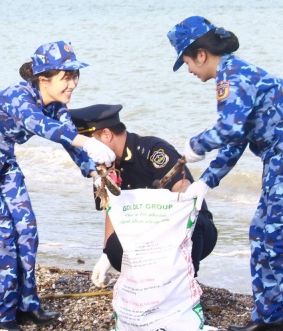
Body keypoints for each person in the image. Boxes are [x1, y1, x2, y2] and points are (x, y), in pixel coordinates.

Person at [168, 16, 283, 331]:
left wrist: (194, 146)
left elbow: (227, 131)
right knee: (261, 232)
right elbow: (235, 139)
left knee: (279, 239)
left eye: (186, 61)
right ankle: (269, 316)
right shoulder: (231, 75)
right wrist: (207, 181)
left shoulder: (234, 77)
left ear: (200, 54)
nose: (188, 70)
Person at [0, 42, 117, 331]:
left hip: (2, 160)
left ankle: (26, 304)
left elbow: (67, 137)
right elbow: (38, 125)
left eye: (76, 76)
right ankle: (0, 314)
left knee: (26, 230)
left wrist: (91, 170)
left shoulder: (56, 105)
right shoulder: (19, 97)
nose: (73, 84)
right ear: (43, 79)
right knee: (0, 235)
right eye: (66, 77)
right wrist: (89, 142)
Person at [69, 104, 218, 286]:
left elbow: (183, 188)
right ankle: (147, 284)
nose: (86, 151)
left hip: (188, 230)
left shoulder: (152, 150)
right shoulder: (103, 166)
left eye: (88, 143)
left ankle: (186, 283)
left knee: (193, 222)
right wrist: (106, 254)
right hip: (146, 236)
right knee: (116, 250)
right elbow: (111, 209)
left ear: (106, 135)